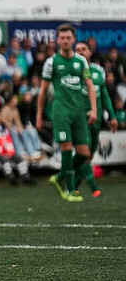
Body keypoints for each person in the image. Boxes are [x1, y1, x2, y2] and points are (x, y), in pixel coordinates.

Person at [36, 24, 97, 203]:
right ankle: (70, 190)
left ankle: (59, 177)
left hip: (79, 112)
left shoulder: (81, 61)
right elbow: (43, 91)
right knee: (66, 147)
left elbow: (90, 86)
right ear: (57, 40)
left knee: (84, 153)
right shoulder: (51, 62)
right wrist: (39, 115)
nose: (65, 41)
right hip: (61, 111)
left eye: (68, 37)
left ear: (73, 39)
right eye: (62, 38)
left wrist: (93, 109)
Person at [71, 41, 118, 197]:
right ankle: (93, 187)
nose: (80, 52)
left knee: (89, 154)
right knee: (83, 153)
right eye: (77, 50)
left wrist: (112, 116)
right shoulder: (71, 72)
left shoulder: (98, 70)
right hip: (79, 118)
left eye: (83, 49)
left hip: (95, 119)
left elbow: (104, 95)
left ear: (90, 52)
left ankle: (72, 186)